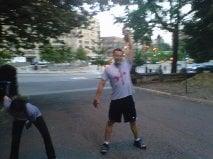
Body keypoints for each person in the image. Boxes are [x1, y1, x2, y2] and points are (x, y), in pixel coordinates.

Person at [93, 29, 146, 155]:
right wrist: (97, 97)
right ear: (113, 56)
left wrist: (128, 36)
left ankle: (137, 140)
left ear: (122, 56)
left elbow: (132, 49)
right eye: (116, 55)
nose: (118, 57)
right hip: (116, 100)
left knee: (133, 121)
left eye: (120, 55)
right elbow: (101, 83)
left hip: (128, 98)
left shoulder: (127, 64)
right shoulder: (108, 69)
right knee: (111, 122)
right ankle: (106, 143)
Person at [0, 88, 56, 159]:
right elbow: (5, 97)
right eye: (15, 113)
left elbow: (32, 119)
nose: (18, 114)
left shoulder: (31, 111)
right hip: (17, 120)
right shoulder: (7, 105)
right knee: (15, 139)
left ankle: (52, 156)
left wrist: (29, 122)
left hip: (36, 116)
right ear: (12, 109)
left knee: (46, 135)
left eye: (20, 113)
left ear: (23, 110)